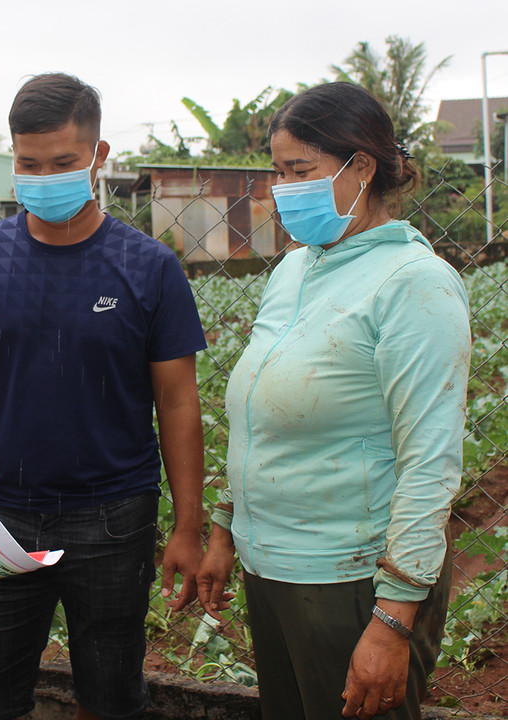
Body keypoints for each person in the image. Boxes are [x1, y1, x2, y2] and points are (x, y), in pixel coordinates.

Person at [0, 72, 207, 720]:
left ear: (100, 157)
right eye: (29, 164)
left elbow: (179, 404)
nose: (44, 177)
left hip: (114, 517)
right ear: (11, 158)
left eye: (64, 163)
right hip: (1, 517)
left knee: (110, 696)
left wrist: (188, 524)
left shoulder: (148, 266)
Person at [196, 81, 471, 720]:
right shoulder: (296, 268)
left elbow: (431, 464)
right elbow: (257, 412)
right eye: (278, 172)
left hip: (353, 580)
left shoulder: (414, 285)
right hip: (274, 569)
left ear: (362, 168)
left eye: (301, 171)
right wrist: (225, 522)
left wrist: (393, 619)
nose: (282, 189)